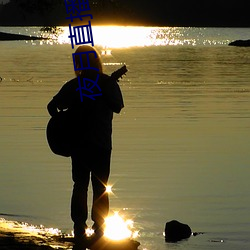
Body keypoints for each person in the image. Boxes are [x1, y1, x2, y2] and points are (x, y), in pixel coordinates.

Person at [47, 45, 124, 244]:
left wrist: (63, 121)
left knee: (80, 185)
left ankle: (79, 228)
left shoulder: (74, 85)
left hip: (79, 144)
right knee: (100, 187)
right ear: (97, 62)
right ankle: (99, 229)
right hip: (101, 144)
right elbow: (118, 107)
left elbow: (51, 106)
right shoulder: (105, 83)